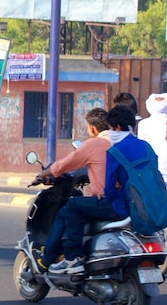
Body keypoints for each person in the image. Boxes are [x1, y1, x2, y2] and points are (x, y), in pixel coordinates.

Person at [49, 105, 158, 274]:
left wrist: (104, 195)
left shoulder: (116, 150)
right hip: (144, 206)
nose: (111, 131)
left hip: (119, 206)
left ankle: (72, 258)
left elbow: (109, 186)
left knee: (72, 207)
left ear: (118, 127)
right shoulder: (146, 147)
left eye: (112, 128)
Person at [34, 107, 112, 271]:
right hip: (128, 202)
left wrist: (42, 174)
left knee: (69, 209)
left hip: (108, 202)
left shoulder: (94, 144)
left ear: (92, 127)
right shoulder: (121, 142)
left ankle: (59, 258)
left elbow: (64, 165)